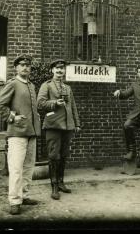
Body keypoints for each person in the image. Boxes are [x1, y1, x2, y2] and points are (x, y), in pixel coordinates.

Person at [0, 55, 41, 215]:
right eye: (22, 65)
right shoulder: (13, 84)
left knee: (28, 167)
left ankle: (24, 195)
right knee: (16, 168)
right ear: (16, 68)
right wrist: (13, 117)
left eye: (28, 65)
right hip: (17, 133)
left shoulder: (32, 86)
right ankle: (14, 200)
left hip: (32, 132)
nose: (25, 67)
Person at [37, 59, 81, 200]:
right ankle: (54, 186)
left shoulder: (67, 88)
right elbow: (40, 103)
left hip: (67, 126)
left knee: (64, 154)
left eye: (62, 69)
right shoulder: (47, 85)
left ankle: (61, 182)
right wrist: (55, 103)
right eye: (57, 68)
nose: (60, 71)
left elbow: (73, 106)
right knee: (53, 155)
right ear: (52, 70)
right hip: (53, 125)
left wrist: (77, 123)